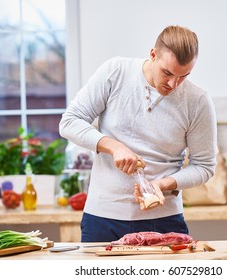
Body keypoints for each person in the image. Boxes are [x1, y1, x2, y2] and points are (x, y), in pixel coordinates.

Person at [59, 25, 218, 242]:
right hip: (102, 218)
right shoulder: (116, 72)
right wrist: (113, 146)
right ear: (153, 54)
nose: (174, 84)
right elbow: (69, 122)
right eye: (167, 73)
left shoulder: (198, 101)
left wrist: (164, 184)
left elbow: (204, 166)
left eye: (183, 76)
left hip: (164, 220)